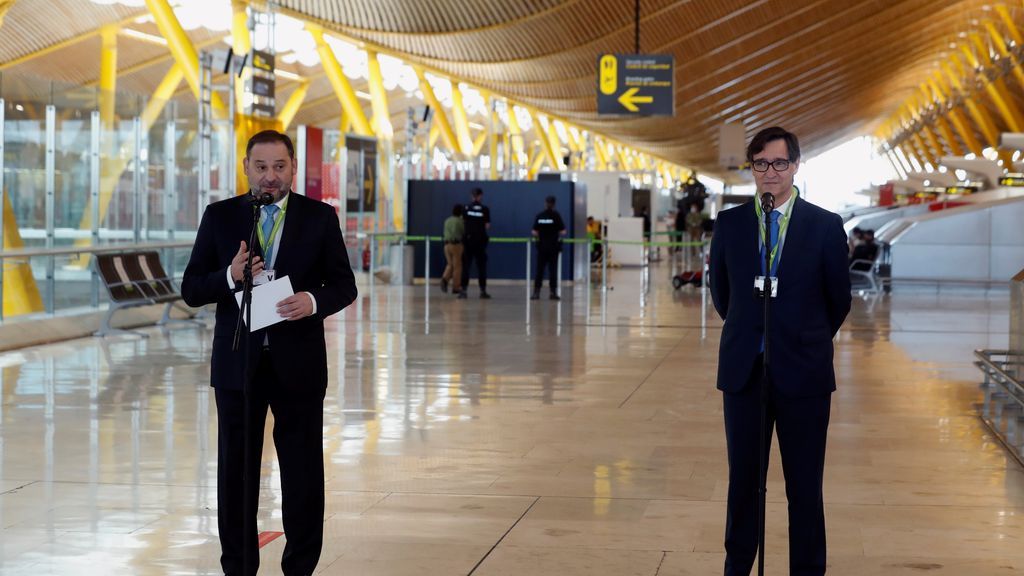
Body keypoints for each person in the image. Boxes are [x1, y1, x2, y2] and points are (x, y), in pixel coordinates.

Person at [182, 130, 358, 576]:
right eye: (261, 167)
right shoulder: (220, 217)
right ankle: (239, 567)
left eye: (280, 166)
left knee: (302, 470)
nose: (270, 177)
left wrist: (313, 302)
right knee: (235, 471)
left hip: (297, 363)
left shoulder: (320, 218)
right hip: (238, 364)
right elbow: (191, 289)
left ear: (293, 168)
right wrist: (229, 274)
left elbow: (344, 285)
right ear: (246, 167)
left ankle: (300, 566)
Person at [708, 126, 851, 576]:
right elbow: (722, 294)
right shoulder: (730, 223)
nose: (769, 172)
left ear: (795, 166)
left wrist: (802, 338)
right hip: (744, 373)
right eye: (760, 163)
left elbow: (838, 300)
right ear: (751, 167)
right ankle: (737, 567)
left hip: (803, 374)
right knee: (743, 482)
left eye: (779, 163)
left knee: (804, 486)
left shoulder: (825, 226)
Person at [531, 195, 567, 300]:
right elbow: (563, 231)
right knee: (553, 271)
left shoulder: (540, 215)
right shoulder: (556, 216)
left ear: (545, 203)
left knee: (539, 271)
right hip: (553, 248)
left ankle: (536, 293)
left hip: (542, 247)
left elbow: (533, 231)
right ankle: (553, 293)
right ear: (554, 204)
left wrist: (541, 234)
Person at [461, 187, 491, 299]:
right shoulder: (485, 209)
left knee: (466, 267)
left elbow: (463, 222)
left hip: (468, 241)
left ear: (472, 196)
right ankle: (483, 291)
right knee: (481, 267)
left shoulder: (466, 208)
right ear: (480, 196)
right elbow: (487, 226)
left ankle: (464, 291)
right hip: (480, 242)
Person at [441, 204, 465, 296]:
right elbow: (463, 232)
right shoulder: (460, 221)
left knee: (450, 264)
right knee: (457, 267)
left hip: (446, 245)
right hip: (456, 245)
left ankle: (444, 279)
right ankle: (456, 287)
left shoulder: (447, 220)